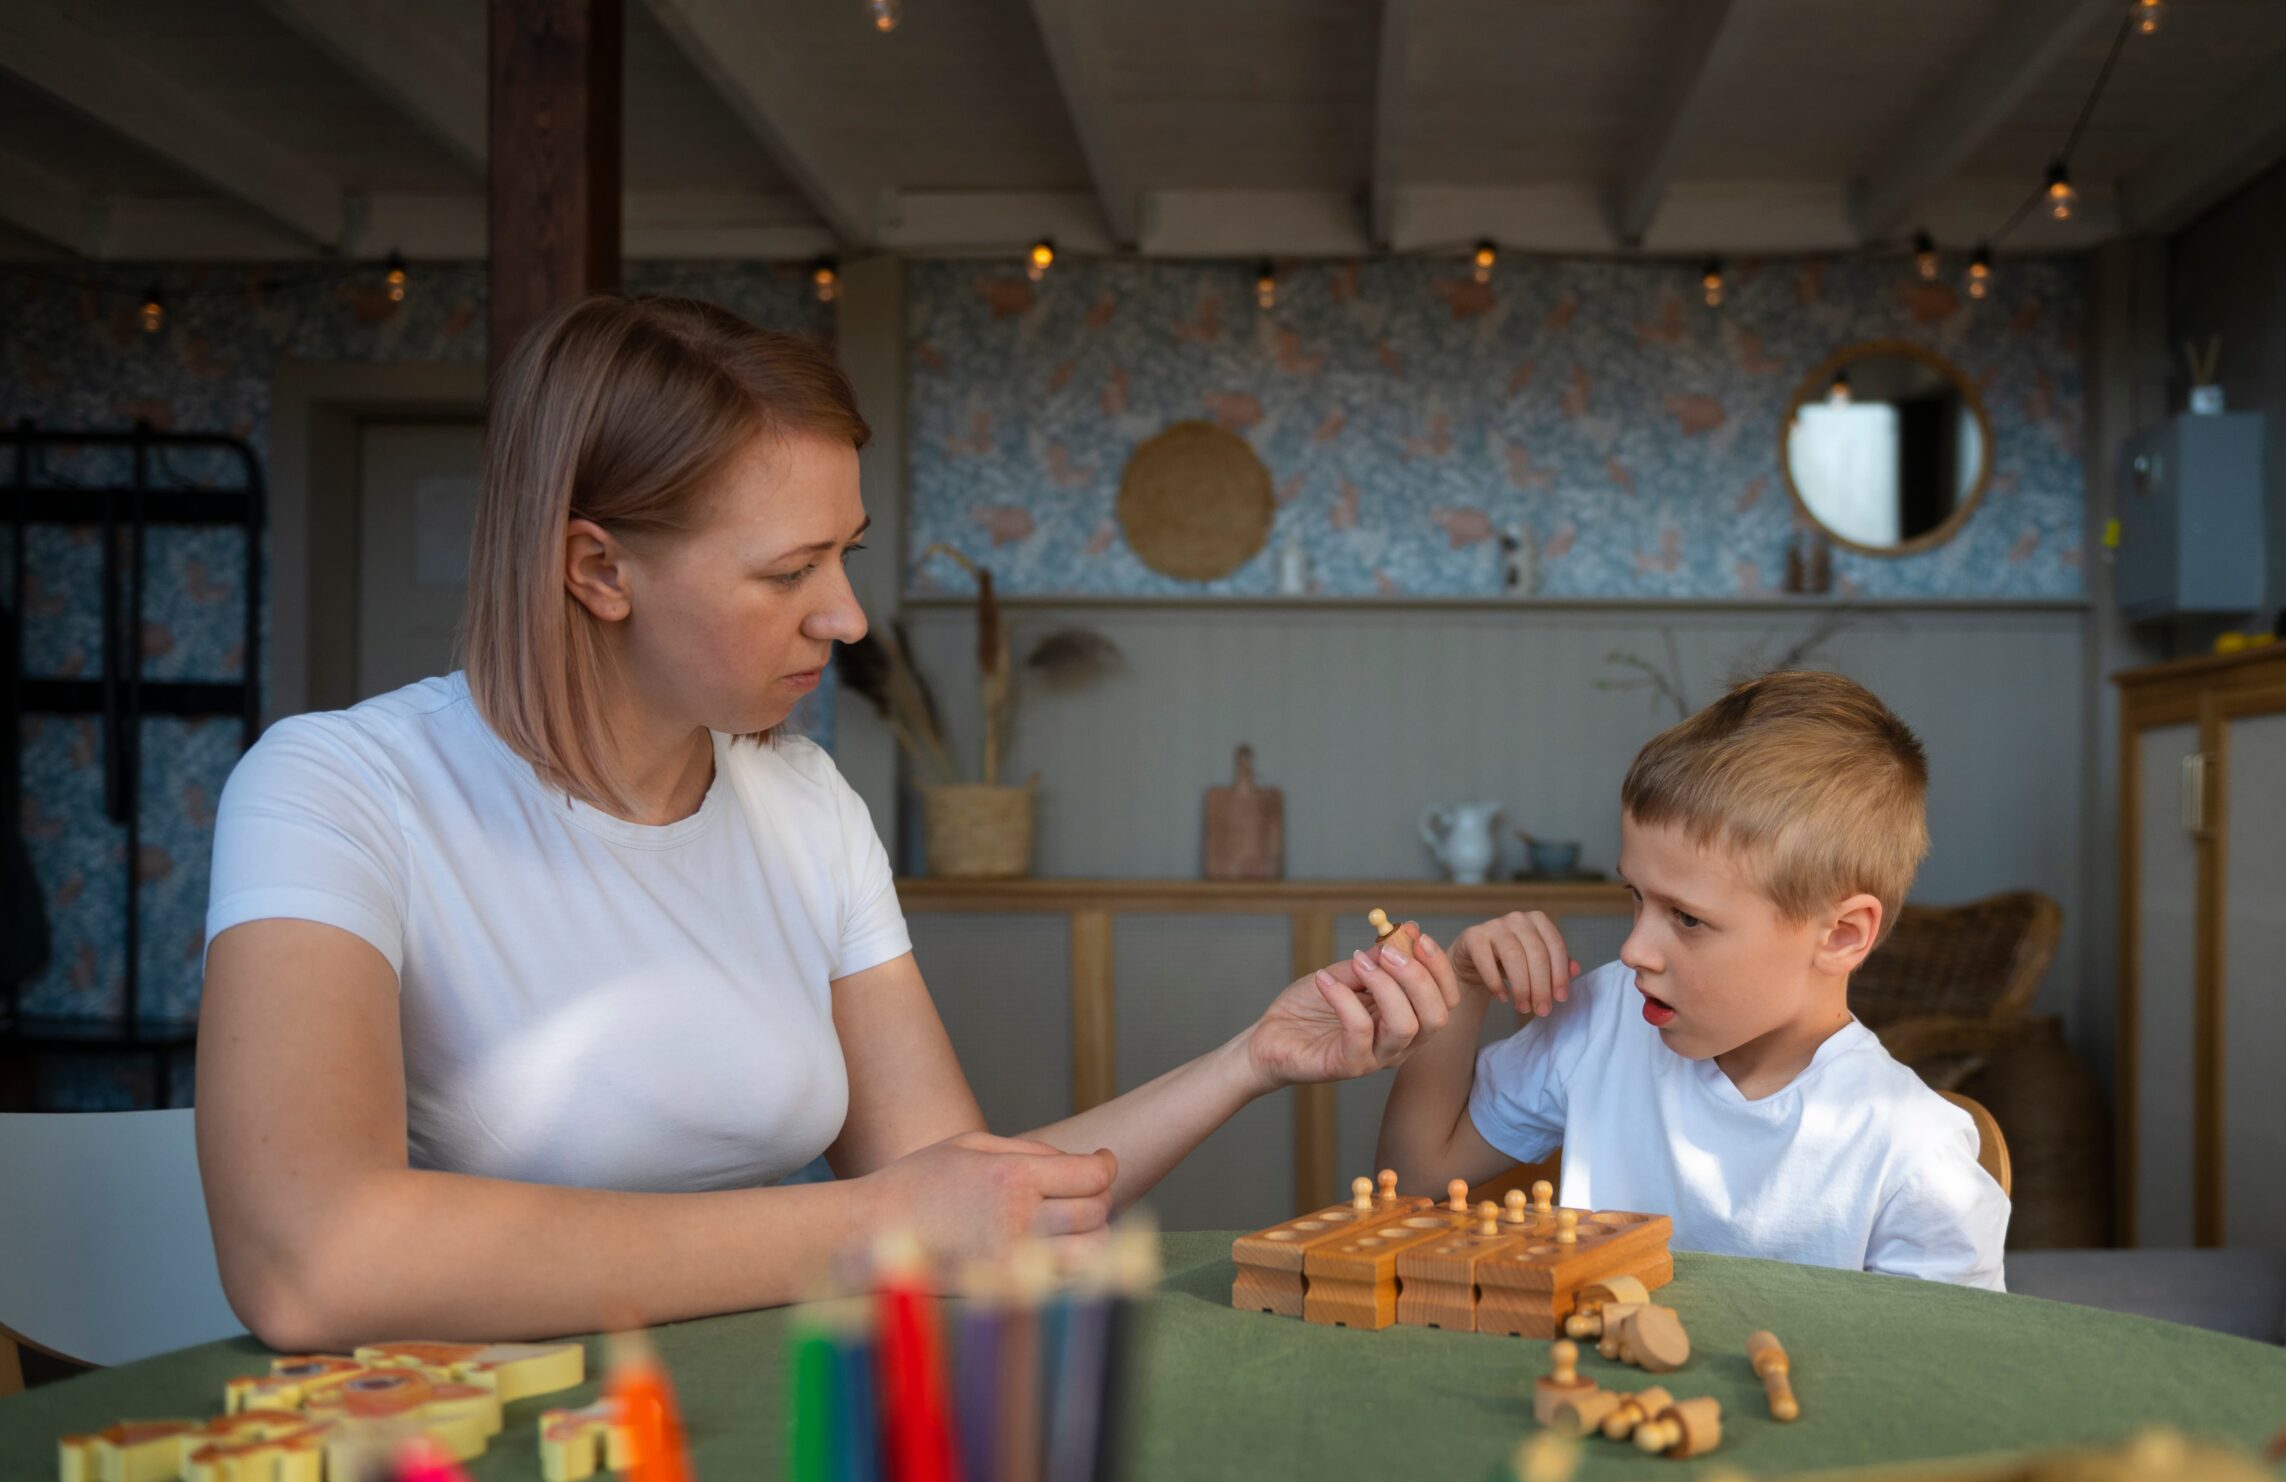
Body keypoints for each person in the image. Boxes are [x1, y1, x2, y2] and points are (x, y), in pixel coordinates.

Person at [196, 294, 1460, 1350]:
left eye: (845, 555)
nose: (847, 617)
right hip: (464, 1455)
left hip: (766, 1411)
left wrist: (1251, 1055)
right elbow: (311, 1262)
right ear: (598, 570)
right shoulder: (334, 788)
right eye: (788, 570)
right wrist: (867, 1231)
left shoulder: (803, 802)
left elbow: (963, 1189)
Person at [1375, 671, 2009, 1289]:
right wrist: (1461, 983)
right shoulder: (1606, 1021)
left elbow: (1938, 1385)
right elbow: (1409, 1185)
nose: (1634, 951)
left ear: (1841, 935)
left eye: (1687, 918)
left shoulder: (1914, 1156)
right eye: (1635, 897)